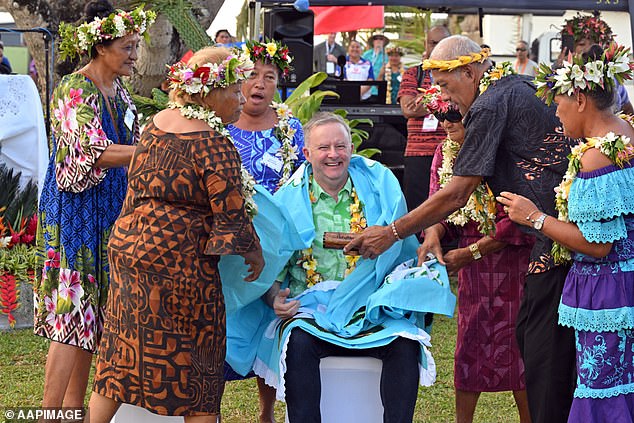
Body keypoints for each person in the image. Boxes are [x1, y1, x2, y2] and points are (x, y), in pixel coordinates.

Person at [345, 35, 577, 423]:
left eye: (445, 85)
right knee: (533, 343)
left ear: (470, 72)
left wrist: (392, 232)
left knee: (542, 357)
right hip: (551, 240)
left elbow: (456, 194)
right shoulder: (511, 88)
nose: (443, 98)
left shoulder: (490, 104)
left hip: (560, 240)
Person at [230, 112, 451, 423]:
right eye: (323, 148)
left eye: (340, 146)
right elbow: (272, 272)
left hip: (371, 307)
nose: (333, 155)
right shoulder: (287, 202)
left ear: (351, 149)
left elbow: (401, 253)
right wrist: (275, 299)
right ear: (306, 154)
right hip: (314, 309)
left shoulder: (379, 187)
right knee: (299, 344)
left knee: (403, 346)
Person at [87, 47, 264, 422]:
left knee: (119, 357)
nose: (241, 98)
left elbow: (135, 183)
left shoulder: (155, 124)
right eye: (234, 90)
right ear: (208, 92)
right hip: (181, 265)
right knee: (198, 364)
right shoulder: (214, 144)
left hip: (131, 252)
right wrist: (254, 251)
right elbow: (230, 213)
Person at [498, 44, 634, 423]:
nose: (556, 116)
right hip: (626, 286)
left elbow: (599, 243)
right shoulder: (626, 132)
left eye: (557, 105)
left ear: (579, 99)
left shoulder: (595, 156)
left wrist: (534, 217)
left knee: (603, 387)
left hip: (607, 292)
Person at [32, 1, 155, 416]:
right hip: (76, 210)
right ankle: (51, 412)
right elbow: (94, 151)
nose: (135, 55)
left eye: (136, 46)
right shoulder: (75, 87)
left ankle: (74, 410)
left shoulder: (118, 91)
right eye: (128, 47)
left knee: (95, 313)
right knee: (73, 311)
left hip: (110, 206)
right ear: (101, 47)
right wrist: (155, 150)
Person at [421, 110, 533, 423]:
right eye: (440, 115)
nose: (446, 122)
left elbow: (521, 221)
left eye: (454, 114)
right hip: (474, 276)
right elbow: (438, 203)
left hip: (515, 263)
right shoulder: (445, 151)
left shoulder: (506, 149)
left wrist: (471, 252)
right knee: (469, 346)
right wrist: (433, 233)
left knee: (521, 349)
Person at [225, 39, 305, 423]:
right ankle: (210, 407)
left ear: (278, 84)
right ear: (238, 78)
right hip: (230, 241)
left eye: (268, 77)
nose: (259, 83)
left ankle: (266, 413)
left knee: (273, 326)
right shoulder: (220, 122)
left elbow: (299, 180)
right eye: (252, 75)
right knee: (226, 325)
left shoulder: (289, 127)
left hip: (278, 242)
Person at [397, 25, 450, 211]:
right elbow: (409, 109)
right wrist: (442, 96)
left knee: (447, 209)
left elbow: (462, 104)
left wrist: (424, 99)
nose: (435, 48)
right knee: (417, 209)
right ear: (426, 45)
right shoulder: (413, 73)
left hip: (449, 152)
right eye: (432, 43)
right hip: (418, 153)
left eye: (441, 43)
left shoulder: (457, 73)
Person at [561, 12, 634, 115]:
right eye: (582, 44)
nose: (589, 49)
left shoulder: (612, 77)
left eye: (595, 44)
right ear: (571, 48)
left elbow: (628, 110)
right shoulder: (562, 77)